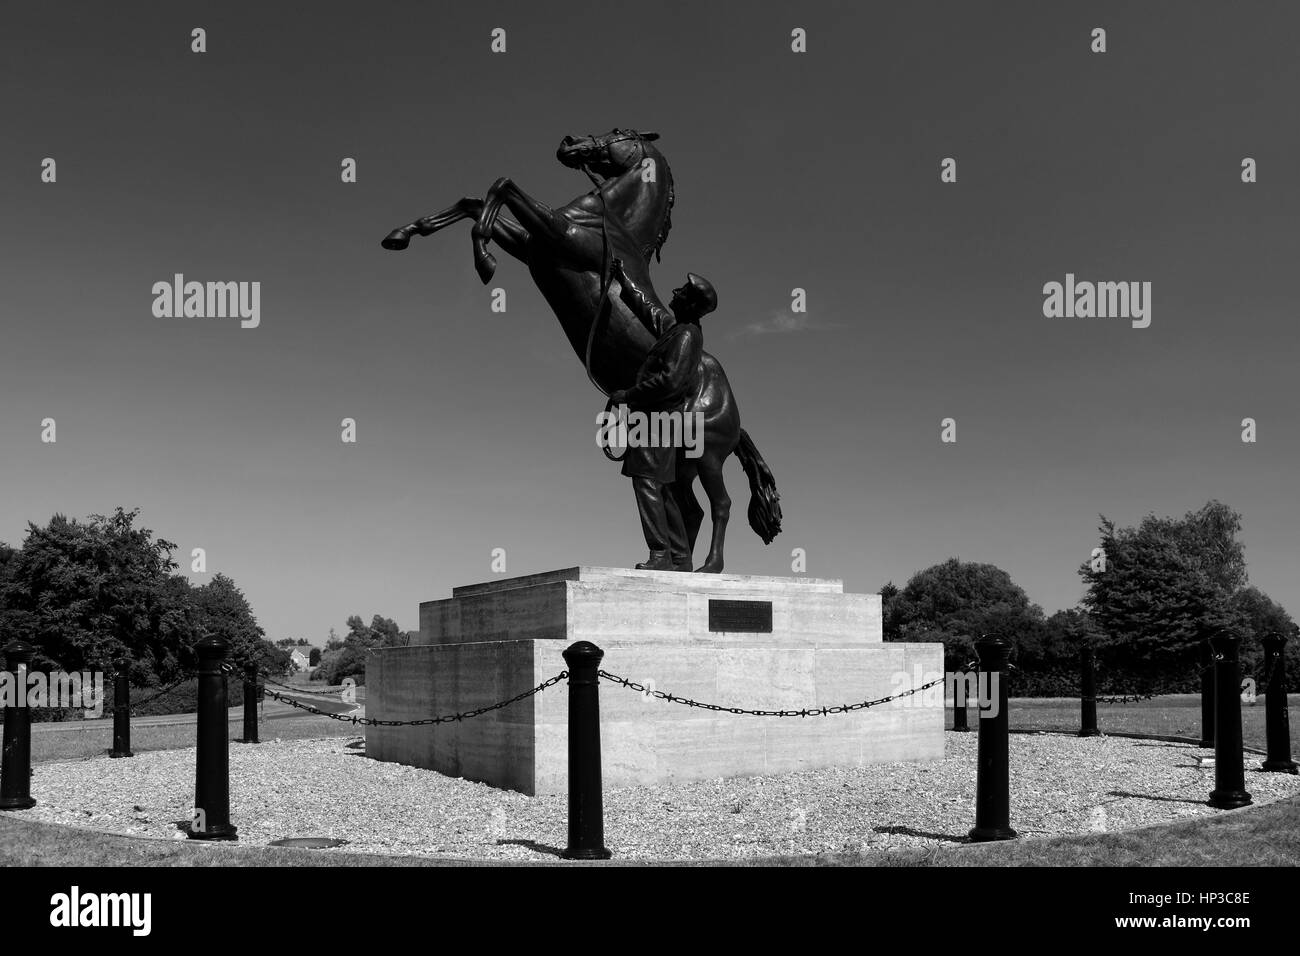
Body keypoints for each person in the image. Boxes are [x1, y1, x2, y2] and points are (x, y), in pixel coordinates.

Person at [608, 257, 717, 570]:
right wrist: (623, 280)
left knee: (646, 482)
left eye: (682, 291)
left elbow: (670, 381)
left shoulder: (686, 336)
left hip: (659, 421)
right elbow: (647, 308)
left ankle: (660, 555)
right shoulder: (676, 329)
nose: (676, 292)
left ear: (692, 303)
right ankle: (680, 557)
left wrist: (628, 395)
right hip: (660, 420)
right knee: (663, 486)